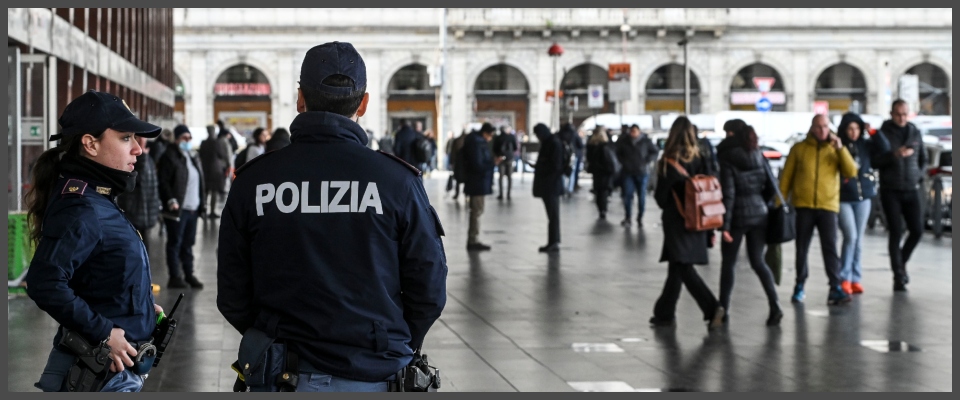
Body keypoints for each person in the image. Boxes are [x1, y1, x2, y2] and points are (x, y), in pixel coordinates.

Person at [217, 41, 446, 392]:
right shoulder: (396, 181)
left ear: (300, 99)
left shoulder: (254, 181)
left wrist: (275, 336)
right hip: (374, 371)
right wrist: (391, 342)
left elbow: (232, 293)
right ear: (364, 103)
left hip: (283, 374)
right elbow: (428, 286)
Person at [25, 90, 165, 392]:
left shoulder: (99, 197)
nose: (138, 149)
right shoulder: (83, 206)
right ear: (90, 143)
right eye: (126, 138)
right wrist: (104, 332)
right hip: (97, 373)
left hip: (112, 371)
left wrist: (136, 303)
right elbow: (45, 281)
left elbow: (96, 270)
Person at [650, 116, 726, 330]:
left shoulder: (668, 161)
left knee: (683, 266)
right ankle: (664, 312)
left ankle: (712, 308)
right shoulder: (700, 157)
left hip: (677, 221)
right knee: (677, 265)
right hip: (699, 218)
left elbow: (661, 198)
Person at [779, 114, 857, 305]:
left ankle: (835, 286)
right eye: (819, 127)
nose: (822, 130)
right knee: (802, 247)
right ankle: (799, 284)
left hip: (828, 206)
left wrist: (841, 149)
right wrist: (779, 203)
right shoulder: (799, 149)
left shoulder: (835, 149)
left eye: (825, 126)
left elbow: (851, 171)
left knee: (830, 248)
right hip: (804, 205)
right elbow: (786, 178)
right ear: (812, 128)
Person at [715, 125, 782, 326]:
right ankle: (775, 305)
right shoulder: (758, 155)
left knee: (729, 264)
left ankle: (724, 309)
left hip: (736, 218)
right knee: (758, 262)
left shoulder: (727, 158)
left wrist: (724, 226)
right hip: (759, 215)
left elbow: (729, 194)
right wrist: (759, 202)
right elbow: (772, 187)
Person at [873, 100, 927, 291]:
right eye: (898, 114)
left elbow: (924, 159)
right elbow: (875, 161)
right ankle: (898, 275)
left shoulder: (915, 132)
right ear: (891, 113)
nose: (902, 118)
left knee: (917, 230)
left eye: (905, 114)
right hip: (891, 189)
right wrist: (893, 155)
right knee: (896, 231)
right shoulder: (883, 133)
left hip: (911, 188)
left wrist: (918, 176)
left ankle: (900, 263)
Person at [837, 112, 890, 295]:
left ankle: (855, 278)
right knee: (850, 237)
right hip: (843, 198)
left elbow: (885, 148)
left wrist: (873, 131)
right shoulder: (838, 145)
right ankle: (844, 277)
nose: (853, 132)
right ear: (844, 129)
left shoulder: (865, 146)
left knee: (858, 239)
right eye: (850, 129)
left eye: (857, 128)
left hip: (863, 197)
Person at [157, 125, 206, 289]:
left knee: (188, 243)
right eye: (184, 138)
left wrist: (202, 205)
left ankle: (189, 274)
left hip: (192, 208)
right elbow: (163, 181)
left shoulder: (191, 156)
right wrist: (170, 199)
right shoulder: (169, 156)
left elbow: (199, 182)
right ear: (176, 139)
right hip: (177, 209)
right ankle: (175, 276)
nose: (188, 141)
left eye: (189, 138)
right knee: (175, 243)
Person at [117, 134, 161, 253]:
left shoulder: (148, 158)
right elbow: (137, 178)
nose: (141, 142)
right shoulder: (135, 159)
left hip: (146, 211)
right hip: (134, 212)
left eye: (143, 139)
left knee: (144, 248)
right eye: (138, 138)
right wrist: (142, 156)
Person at [462, 123, 500, 251]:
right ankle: (473, 240)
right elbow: (478, 165)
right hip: (477, 182)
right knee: (476, 211)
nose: (491, 138)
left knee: (477, 211)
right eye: (491, 135)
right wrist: (493, 163)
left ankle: (474, 239)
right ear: (485, 133)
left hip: (477, 182)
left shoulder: (476, 141)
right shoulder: (477, 143)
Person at [615, 124, 659, 228]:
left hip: (642, 172)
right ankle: (628, 217)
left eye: (634, 131)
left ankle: (640, 217)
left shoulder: (645, 142)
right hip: (628, 172)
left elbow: (655, 152)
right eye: (631, 131)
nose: (633, 134)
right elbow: (618, 152)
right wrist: (623, 162)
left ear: (639, 132)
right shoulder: (624, 141)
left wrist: (647, 161)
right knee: (627, 195)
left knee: (641, 195)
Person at [533, 123, 565, 252]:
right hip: (550, 183)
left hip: (551, 184)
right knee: (552, 214)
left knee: (553, 214)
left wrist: (540, 167)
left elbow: (555, 165)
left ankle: (554, 241)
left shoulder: (553, 143)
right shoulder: (549, 142)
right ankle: (553, 241)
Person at [585, 127, 618, 220]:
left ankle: (601, 209)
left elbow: (589, 158)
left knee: (599, 191)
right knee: (603, 191)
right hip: (604, 171)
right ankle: (603, 209)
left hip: (597, 172)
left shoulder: (591, 145)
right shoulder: (606, 145)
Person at [199, 124, 230, 219]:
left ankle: (204, 210)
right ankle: (212, 211)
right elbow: (222, 155)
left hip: (205, 169)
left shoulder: (204, 142)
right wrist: (227, 164)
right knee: (214, 192)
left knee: (205, 191)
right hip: (215, 170)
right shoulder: (217, 143)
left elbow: (200, 154)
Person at [494, 125, 519, 200]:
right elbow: (515, 147)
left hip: (501, 158)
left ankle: (501, 194)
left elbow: (494, 148)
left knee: (501, 177)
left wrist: (498, 156)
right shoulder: (511, 137)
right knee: (509, 177)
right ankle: (508, 194)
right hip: (510, 158)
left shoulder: (498, 138)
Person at [449, 129, 469, 200]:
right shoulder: (468, 141)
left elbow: (453, 152)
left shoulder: (457, 140)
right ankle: (466, 194)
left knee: (458, 178)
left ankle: (457, 194)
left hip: (458, 162)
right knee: (466, 179)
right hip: (466, 163)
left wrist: (452, 162)